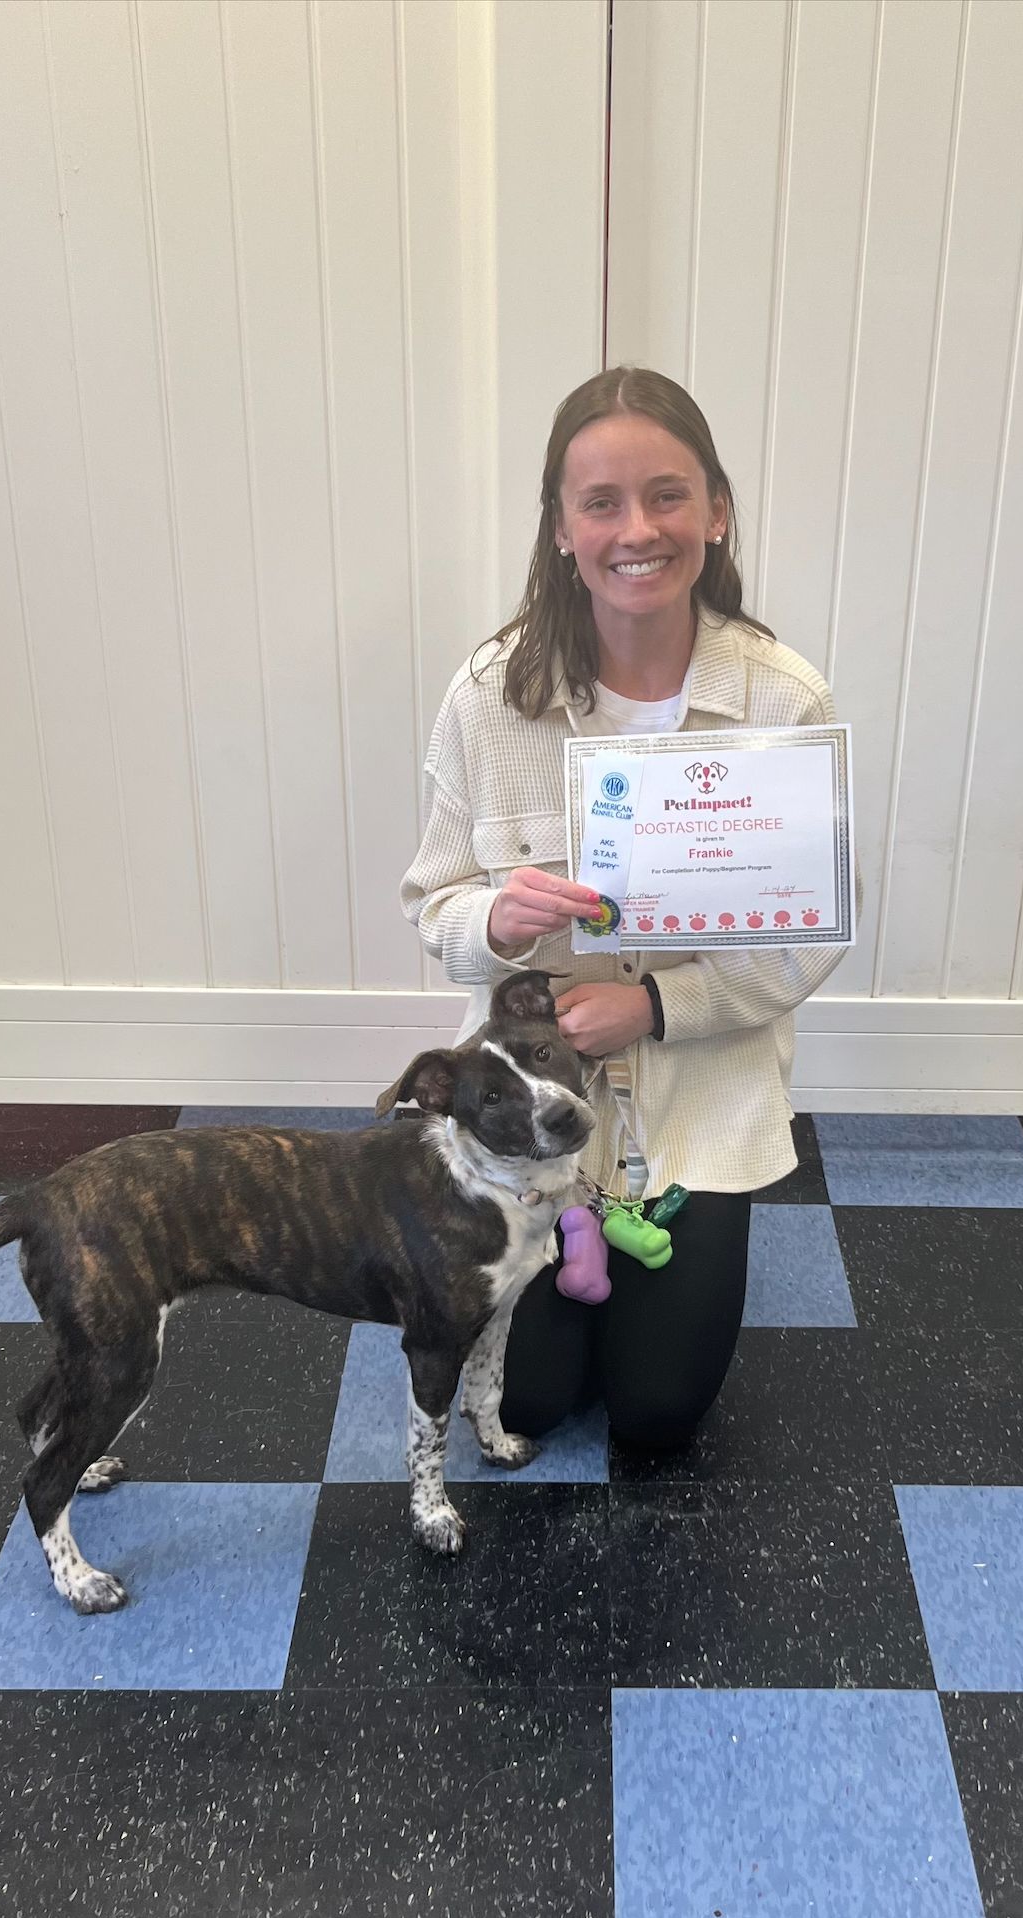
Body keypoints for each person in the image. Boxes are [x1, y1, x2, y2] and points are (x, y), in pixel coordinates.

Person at [399, 366, 844, 1450]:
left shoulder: (785, 698)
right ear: (559, 525)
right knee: (532, 1402)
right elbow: (434, 902)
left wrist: (653, 1008)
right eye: (599, 502)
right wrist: (493, 922)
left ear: (716, 510)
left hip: (700, 1102)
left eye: (667, 494)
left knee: (655, 1416)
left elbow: (812, 932)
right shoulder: (488, 695)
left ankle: (639, 1283)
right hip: (524, 1112)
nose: (635, 529)